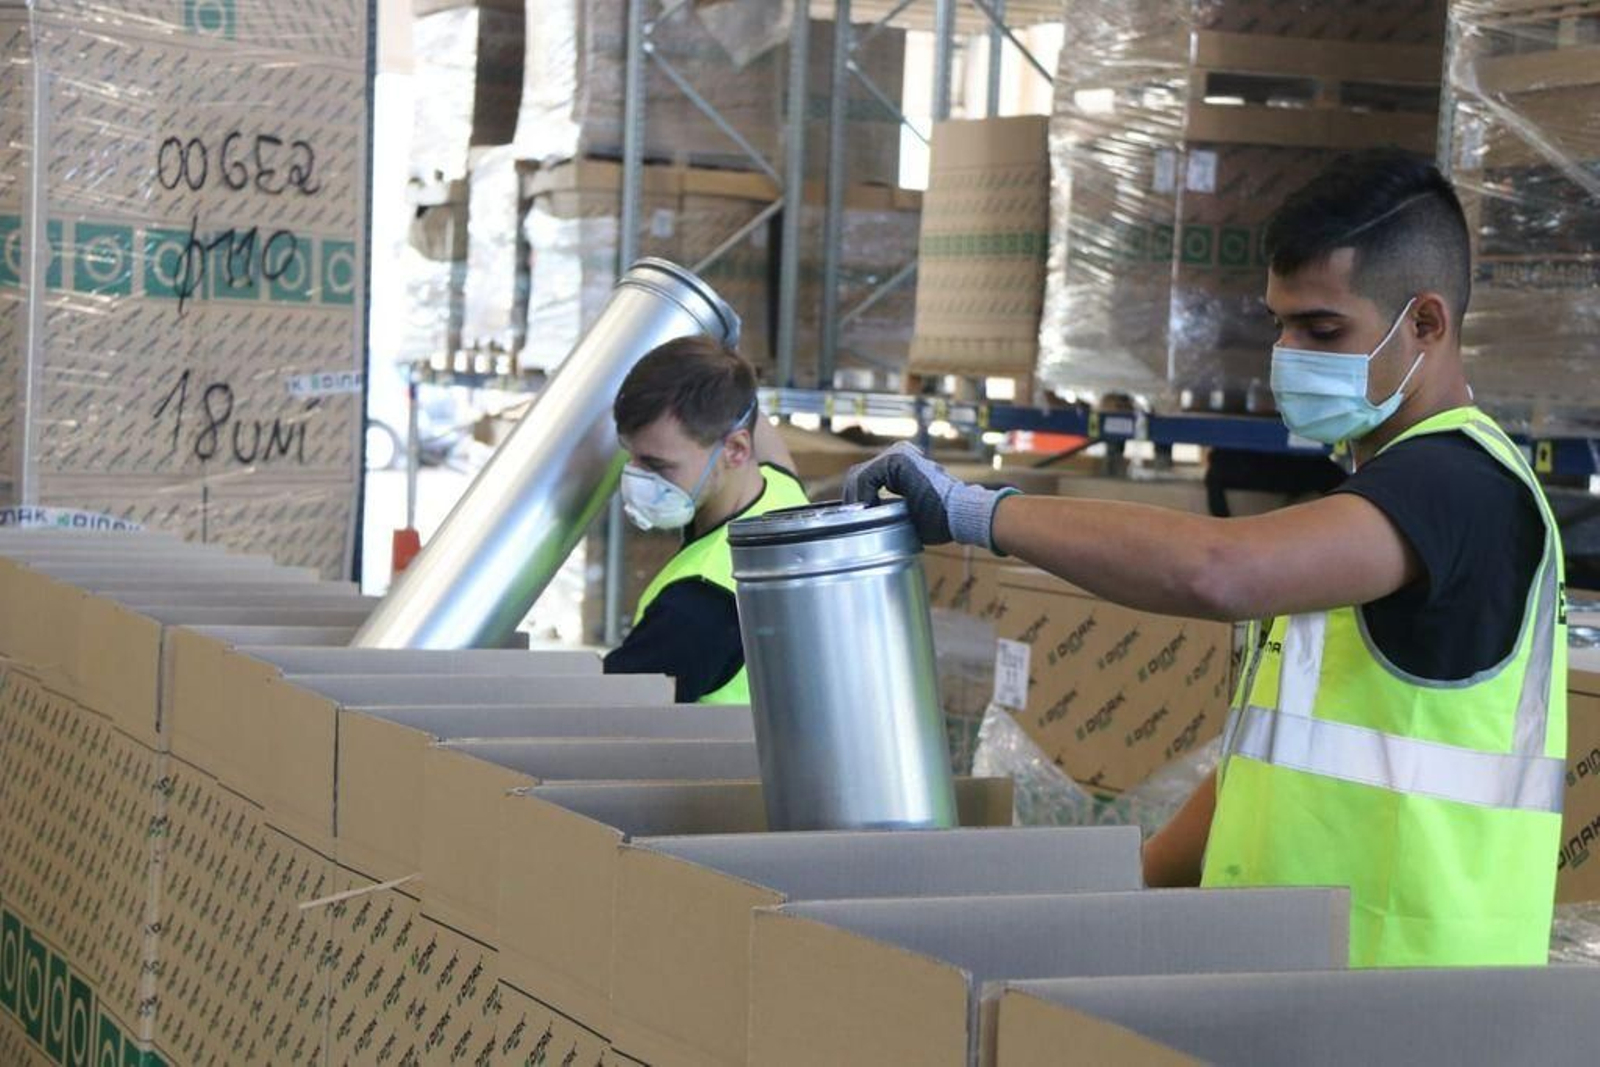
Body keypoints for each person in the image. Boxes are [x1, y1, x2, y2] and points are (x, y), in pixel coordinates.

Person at [845, 149, 1566, 968]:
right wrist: (1131, 899)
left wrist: (980, 512)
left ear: (1426, 324)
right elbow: (1264, 771)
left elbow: (1219, 570)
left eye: (1323, 330)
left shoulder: (1460, 486)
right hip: (1305, 986)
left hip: (1406, 999)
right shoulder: (1378, 495)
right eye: (1281, 324)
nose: (1290, 353)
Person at [603, 337, 809, 703]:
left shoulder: (699, 604)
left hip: (729, 762)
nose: (636, 478)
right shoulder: (781, 490)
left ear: (736, 449)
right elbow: (751, 414)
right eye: (630, 457)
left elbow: (597, 723)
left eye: (657, 465)